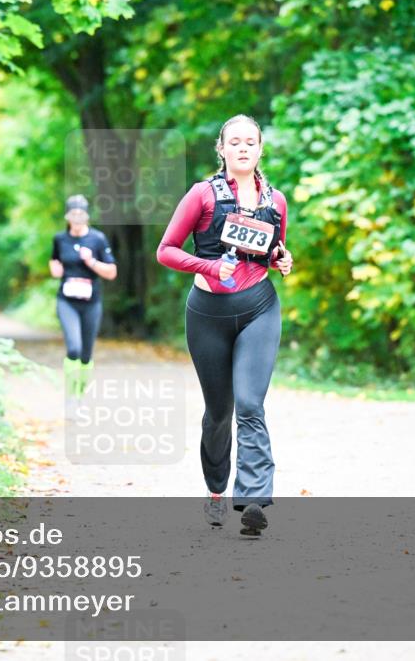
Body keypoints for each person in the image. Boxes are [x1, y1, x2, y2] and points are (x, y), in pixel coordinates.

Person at [156, 114, 293, 535]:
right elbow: (166, 250)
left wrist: (282, 260)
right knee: (219, 412)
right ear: (222, 149)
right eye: (235, 142)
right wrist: (211, 266)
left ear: (260, 149)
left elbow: (274, 250)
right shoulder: (202, 195)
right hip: (208, 314)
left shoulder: (277, 200)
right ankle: (216, 491)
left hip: (258, 307)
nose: (243, 148)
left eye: (250, 142)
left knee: (250, 404)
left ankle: (252, 499)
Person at [49, 195, 117, 399]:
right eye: (73, 214)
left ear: (87, 216)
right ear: (68, 216)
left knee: (86, 355)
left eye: (81, 214)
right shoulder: (60, 239)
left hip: (91, 303)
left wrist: (92, 262)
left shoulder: (97, 239)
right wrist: (55, 270)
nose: (77, 218)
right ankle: (70, 396)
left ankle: (80, 394)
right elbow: (53, 261)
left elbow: (112, 272)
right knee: (74, 349)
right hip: (66, 301)